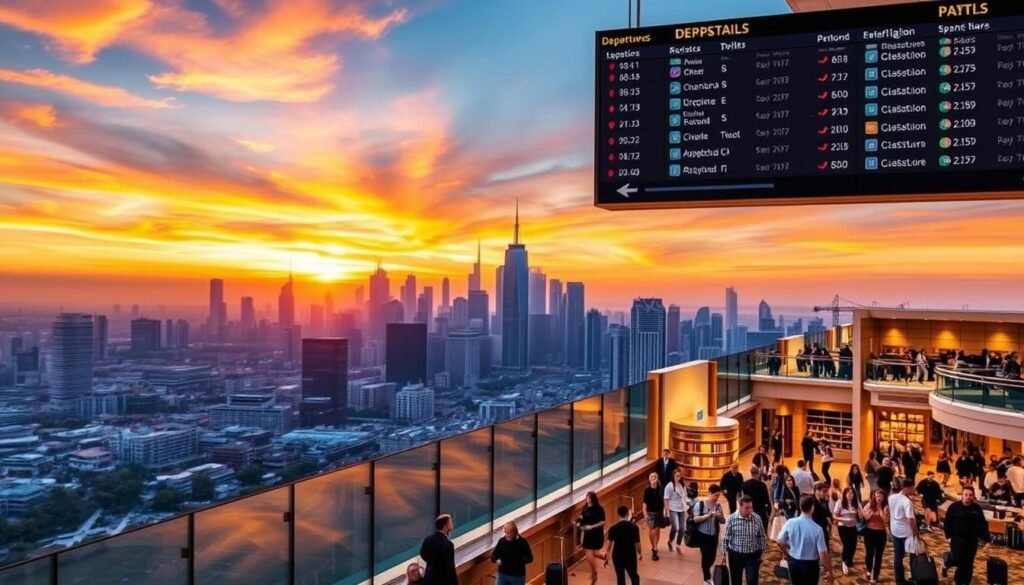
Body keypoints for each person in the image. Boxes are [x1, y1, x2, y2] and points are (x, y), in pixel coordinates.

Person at [777, 496, 835, 585]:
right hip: (810, 565)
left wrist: (786, 552)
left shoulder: (790, 522)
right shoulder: (817, 529)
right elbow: (823, 554)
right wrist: (830, 571)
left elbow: (780, 540)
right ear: (812, 508)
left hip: (793, 561)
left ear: (800, 507)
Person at [942, 486, 991, 585]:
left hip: (972, 540)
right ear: (962, 496)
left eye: (970, 495)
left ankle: (962, 582)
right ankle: (947, 561)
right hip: (956, 539)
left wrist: (987, 541)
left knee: (968, 563)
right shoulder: (954, 507)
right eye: (966, 495)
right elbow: (947, 523)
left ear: (973, 496)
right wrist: (948, 537)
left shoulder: (977, 509)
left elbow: (983, 525)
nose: (968, 497)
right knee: (959, 559)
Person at [718, 496, 767, 585]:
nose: (750, 510)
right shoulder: (731, 519)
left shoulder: (757, 518)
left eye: (751, 507)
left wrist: (763, 552)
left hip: (753, 555)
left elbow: (762, 536)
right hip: (735, 555)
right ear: (740, 506)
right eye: (747, 508)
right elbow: (725, 537)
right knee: (736, 581)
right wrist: (723, 554)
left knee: (752, 581)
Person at [693, 484, 727, 585]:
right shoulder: (700, 505)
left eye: (718, 495)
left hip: (714, 535)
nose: (717, 498)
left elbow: (723, 521)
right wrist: (707, 516)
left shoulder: (718, 506)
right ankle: (706, 578)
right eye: (715, 495)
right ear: (710, 493)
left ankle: (707, 573)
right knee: (705, 556)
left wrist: (719, 516)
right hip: (703, 535)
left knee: (712, 557)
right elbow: (695, 519)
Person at [888, 479, 919, 585]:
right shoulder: (907, 502)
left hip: (895, 530)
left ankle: (899, 580)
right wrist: (916, 533)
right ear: (906, 488)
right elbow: (911, 520)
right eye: (912, 487)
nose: (914, 489)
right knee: (913, 555)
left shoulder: (891, 497)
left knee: (898, 557)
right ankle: (915, 577)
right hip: (906, 532)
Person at [603, 505, 642, 585]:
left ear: (618, 514)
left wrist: (607, 553)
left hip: (617, 555)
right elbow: (637, 543)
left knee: (620, 577)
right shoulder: (634, 527)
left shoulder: (613, 528)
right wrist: (640, 553)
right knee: (633, 575)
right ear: (628, 514)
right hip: (630, 554)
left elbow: (609, 543)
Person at [421, 514, 458, 585]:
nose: (452, 524)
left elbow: (423, 554)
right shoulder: (448, 544)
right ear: (445, 526)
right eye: (450, 522)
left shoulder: (428, 539)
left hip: (429, 579)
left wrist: (433, 562)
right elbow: (450, 568)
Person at [861, 490, 889, 584]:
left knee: (879, 555)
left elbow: (886, 521)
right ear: (874, 496)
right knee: (869, 553)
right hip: (869, 532)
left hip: (881, 533)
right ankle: (868, 570)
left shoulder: (886, 507)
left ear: (884, 498)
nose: (879, 498)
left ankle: (876, 574)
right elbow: (866, 518)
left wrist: (881, 511)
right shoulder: (869, 505)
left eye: (881, 496)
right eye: (877, 496)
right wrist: (872, 511)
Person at [579, 492, 606, 585]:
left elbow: (603, 521)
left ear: (593, 499)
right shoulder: (585, 508)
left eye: (589, 498)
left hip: (596, 533)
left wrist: (592, 526)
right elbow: (582, 518)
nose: (587, 499)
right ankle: (604, 557)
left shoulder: (599, 509)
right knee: (592, 553)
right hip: (587, 534)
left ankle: (594, 572)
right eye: (587, 497)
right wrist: (581, 525)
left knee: (590, 553)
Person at [832, 488, 859, 575]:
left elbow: (860, 515)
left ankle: (849, 560)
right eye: (848, 492)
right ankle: (844, 562)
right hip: (843, 526)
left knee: (853, 546)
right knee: (847, 545)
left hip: (853, 527)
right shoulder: (840, 502)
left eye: (852, 493)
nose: (850, 494)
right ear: (845, 494)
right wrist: (843, 518)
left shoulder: (855, 503)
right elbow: (834, 516)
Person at [741, 465, 772, 534]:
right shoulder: (762, 485)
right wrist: (769, 511)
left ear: (750, 473)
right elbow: (766, 499)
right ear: (758, 474)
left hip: (749, 510)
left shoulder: (744, 484)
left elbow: (742, 498)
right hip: (761, 510)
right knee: (762, 530)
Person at [663, 469, 688, 553]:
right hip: (672, 509)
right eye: (676, 476)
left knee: (682, 528)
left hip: (681, 509)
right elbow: (666, 499)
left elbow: (684, 497)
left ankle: (678, 545)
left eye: (679, 476)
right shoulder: (669, 486)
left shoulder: (682, 484)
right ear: (673, 476)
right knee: (675, 528)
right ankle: (670, 541)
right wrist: (667, 512)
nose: (678, 477)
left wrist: (685, 509)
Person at [641, 473, 664, 560]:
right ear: (649, 479)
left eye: (655, 477)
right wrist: (645, 514)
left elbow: (664, 501)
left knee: (657, 530)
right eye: (652, 477)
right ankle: (654, 548)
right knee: (652, 530)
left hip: (659, 513)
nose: (653, 478)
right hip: (651, 513)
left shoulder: (660, 489)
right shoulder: (647, 490)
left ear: (657, 479)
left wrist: (665, 511)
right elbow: (644, 504)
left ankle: (655, 545)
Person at [811, 482, 833, 553]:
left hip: (823, 528)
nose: (826, 493)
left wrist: (829, 518)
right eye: (824, 491)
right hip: (814, 529)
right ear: (817, 491)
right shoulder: (811, 501)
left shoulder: (824, 501)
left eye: (826, 491)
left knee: (825, 550)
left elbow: (828, 512)